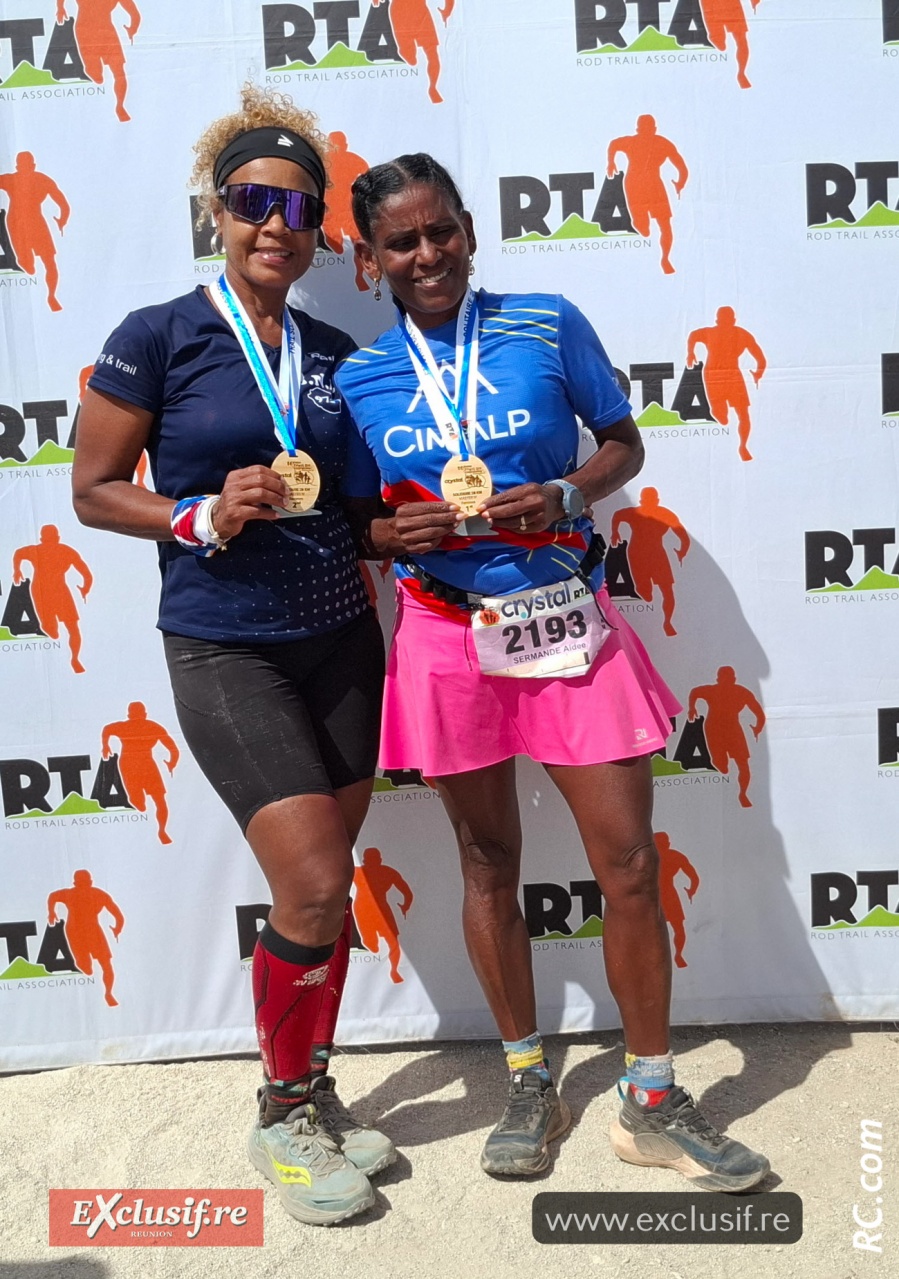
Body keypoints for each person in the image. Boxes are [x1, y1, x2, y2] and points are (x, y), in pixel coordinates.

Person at [337, 152, 769, 1191]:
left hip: (561, 620)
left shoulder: (545, 323)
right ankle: (528, 1080)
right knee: (486, 859)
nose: (427, 254)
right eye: (402, 241)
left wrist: (571, 494)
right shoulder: (360, 378)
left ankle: (650, 1099)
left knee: (628, 862)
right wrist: (391, 533)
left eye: (441, 230)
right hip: (445, 633)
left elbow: (621, 442)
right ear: (370, 260)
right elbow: (355, 518)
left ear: (468, 229)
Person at [71, 85, 392, 1227]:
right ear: (217, 210)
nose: (275, 226)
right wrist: (197, 512)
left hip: (342, 637)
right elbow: (92, 490)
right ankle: (282, 1114)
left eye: (299, 209)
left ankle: (313, 1082)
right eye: (255, 201)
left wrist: (432, 526)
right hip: (224, 643)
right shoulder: (158, 334)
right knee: (309, 881)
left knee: (327, 885)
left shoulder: (333, 350)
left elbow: (357, 510)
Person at [606, 116, 688, 275]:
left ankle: (665, 259)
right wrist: (611, 162)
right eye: (643, 129)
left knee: (665, 224)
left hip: (654, 185)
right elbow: (614, 144)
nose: (646, 133)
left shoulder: (662, 143)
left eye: (648, 129)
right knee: (642, 226)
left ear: (654, 129)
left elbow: (681, 166)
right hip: (635, 184)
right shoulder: (631, 142)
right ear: (638, 129)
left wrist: (681, 183)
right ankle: (641, 225)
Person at [686, 306, 767, 461]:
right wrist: (690, 352)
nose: (725, 323)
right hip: (714, 375)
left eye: (727, 320)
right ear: (718, 320)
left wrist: (759, 372)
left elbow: (760, 357)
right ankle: (720, 413)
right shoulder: (710, 332)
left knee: (743, 414)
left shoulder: (742, 334)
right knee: (720, 414)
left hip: (733, 376)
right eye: (723, 320)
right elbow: (693, 335)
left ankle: (743, 446)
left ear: (733, 320)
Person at [12, 524, 93, 672]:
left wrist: (86, 587)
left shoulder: (65, 551)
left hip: (59, 591)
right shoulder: (37, 550)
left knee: (72, 627)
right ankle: (52, 630)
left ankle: (75, 659)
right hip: (42, 590)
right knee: (51, 628)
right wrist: (16, 570)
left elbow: (86, 573)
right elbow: (18, 553)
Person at [610, 487, 689, 636]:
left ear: (657, 500)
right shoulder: (635, 512)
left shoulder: (664, 514)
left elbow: (683, 535)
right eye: (647, 500)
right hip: (637, 554)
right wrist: (615, 532)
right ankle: (645, 591)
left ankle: (667, 622)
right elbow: (617, 515)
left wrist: (682, 551)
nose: (649, 503)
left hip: (657, 555)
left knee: (667, 590)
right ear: (642, 501)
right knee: (645, 591)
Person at [100, 701, 180, 844]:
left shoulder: (152, 727)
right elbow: (107, 729)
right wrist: (105, 745)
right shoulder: (126, 727)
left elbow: (173, 748)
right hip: (130, 765)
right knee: (139, 801)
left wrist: (172, 762)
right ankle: (140, 804)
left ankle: (162, 831)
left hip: (146, 765)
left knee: (159, 800)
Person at [0, 152, 70, 311]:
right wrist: (62, 219)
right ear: (18, 167)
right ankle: (29, 267)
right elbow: (63, 204)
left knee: (49, 261)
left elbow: (63, 203)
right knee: (28, 264)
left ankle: (51, 296)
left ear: (33, 166)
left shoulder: (41, 180)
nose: (25, 170)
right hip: (17, 223)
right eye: (22, 166)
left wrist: (62, 219)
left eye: (27, 166)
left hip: (35, 223)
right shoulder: (11, 179)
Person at [47, 870, 124, 1007]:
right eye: (81, 884)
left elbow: (117, 914)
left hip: (93, 930)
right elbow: (52, 896)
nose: (83, 888)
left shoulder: (98, 894)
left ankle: (108, 993)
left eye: (85, 883)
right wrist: (51, 912)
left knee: (106, 963)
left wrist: (118, 927)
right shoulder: (70, 893)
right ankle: (87, 968)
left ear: (90, 882)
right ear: (76, 883)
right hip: (75, 931)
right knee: (86, 967)